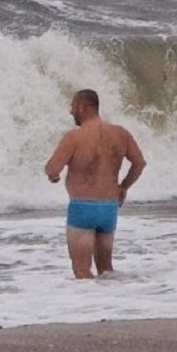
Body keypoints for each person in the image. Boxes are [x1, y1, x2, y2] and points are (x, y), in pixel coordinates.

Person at [44, 89, 146, 279]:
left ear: (82, 107)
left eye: (73, 106)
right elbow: (139, 163)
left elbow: (52, 169)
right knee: (106, 271)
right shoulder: (121, 134)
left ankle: (89, 308)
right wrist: (123, 187)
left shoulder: (74, 137)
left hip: (83, 209)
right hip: (109, 209)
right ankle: (110, 306)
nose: (71, 111)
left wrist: (53, 176)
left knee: (82, 272)